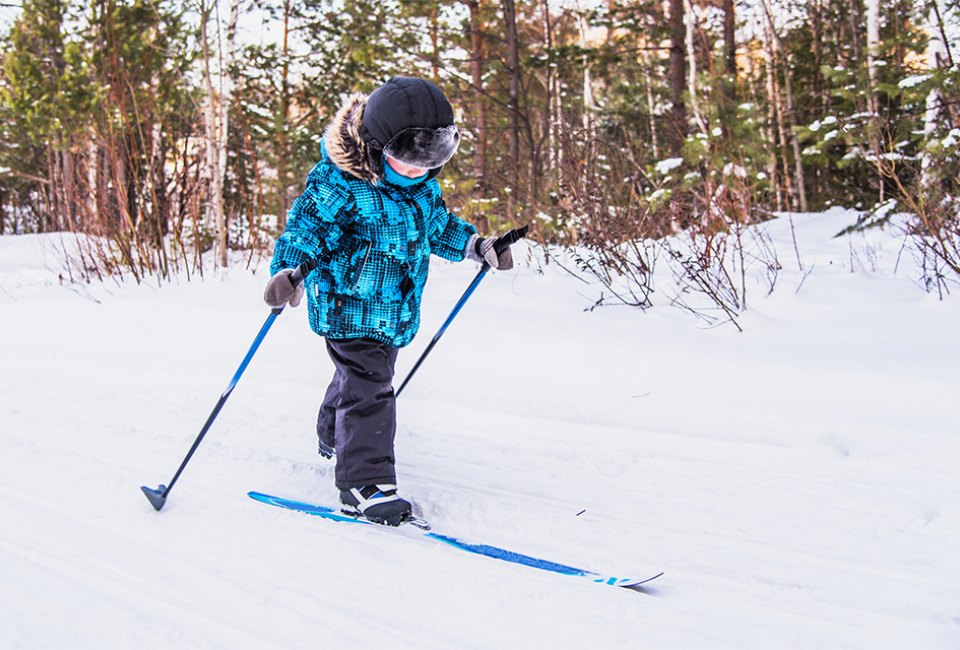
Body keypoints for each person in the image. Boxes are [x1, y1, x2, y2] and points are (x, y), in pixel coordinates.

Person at [263, 76, 515, 526]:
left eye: (431, 162)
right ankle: (364, 484)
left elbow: (437, 226)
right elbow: (305, 231)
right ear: (377, 147)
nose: (419, 173)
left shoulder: (420, 187)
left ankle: (331, 433)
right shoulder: (339, 185)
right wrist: (287, 273)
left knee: (358, 380)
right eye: (408, 161)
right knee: (370, 388)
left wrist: (477, 246)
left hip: (395, 310)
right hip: (348, 307)